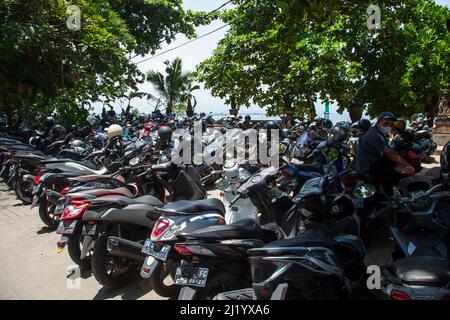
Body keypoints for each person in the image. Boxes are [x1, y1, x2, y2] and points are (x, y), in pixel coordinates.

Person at [356, 112, 415, 195]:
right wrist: (407, 165)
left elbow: (390, 151)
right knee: (392, 175)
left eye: (391, 124)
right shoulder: (375, 135)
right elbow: (390, 154)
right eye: (385, 123)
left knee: (392, 168)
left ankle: (388, 194)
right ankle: (390, 198)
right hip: (367, 167)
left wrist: (398, 165)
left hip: (373, 163)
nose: (388, 126)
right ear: (378, 122)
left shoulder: (379, 133)